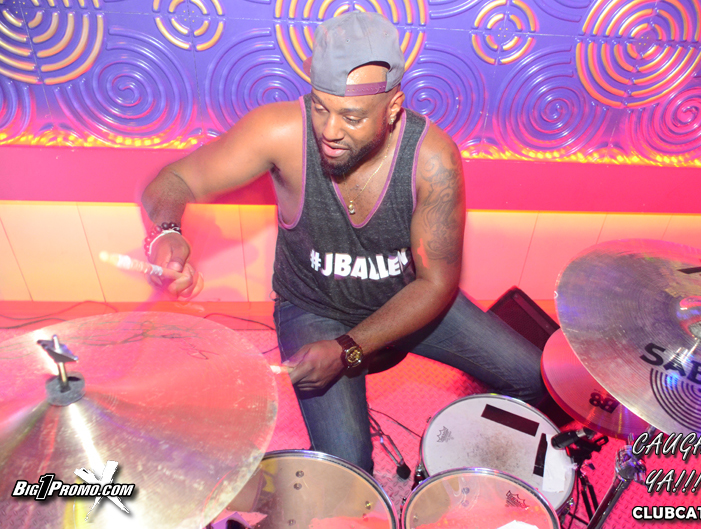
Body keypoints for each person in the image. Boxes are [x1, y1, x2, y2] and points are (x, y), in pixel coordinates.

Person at [142, 11, 545, 474]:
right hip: (314, 307)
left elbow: (436, 284)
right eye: (321, 108)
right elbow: (174, 180)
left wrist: (350, 349)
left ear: (393, 108)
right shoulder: (280, 133)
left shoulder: (432, 159)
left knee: (534, 379)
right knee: (349, 469)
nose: (330, 130)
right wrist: (166, 234)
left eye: (351, 117)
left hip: (406, 300)